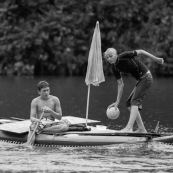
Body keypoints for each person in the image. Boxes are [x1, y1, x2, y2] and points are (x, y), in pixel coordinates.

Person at [104, 48, 164, 133]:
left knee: (134, 101)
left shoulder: (124, 55)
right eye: (107, 57)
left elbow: (142, 51)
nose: (109, 59)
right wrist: (117, 101)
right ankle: (141, 129)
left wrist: (156, 59)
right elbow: (120, 84)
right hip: (141, 80)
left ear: (116, 54)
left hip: (146, 77)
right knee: (129, 103)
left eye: (110, 56)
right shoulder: (114, 68)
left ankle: (129, 128)